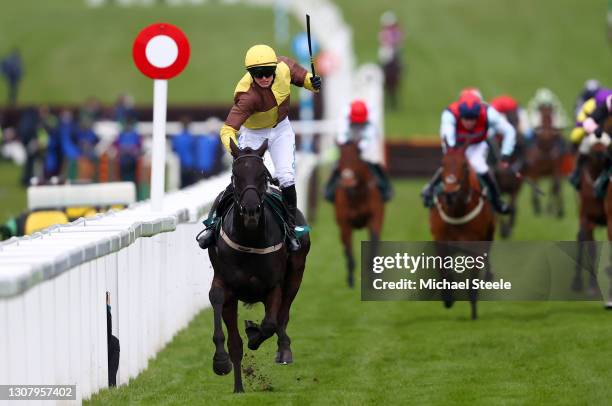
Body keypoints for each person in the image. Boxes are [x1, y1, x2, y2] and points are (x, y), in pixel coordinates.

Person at [197, 44, 321, 252]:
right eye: (257, 74)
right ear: (250, 74)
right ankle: (214, 224)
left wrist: (313, 82)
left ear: (275, 68)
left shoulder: (283, 66)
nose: (264, 78)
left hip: (281, 129)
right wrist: (237, 154)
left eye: (267, 72)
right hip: (254, 133)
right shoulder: (246, 95)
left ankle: (290, 230)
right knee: (244, 176)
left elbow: (304, 78)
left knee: (286, 177)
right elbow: (227, 130)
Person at [421, 92, 517, 214]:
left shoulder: (489, 113)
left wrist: (506, 154)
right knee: (452, 166)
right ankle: (429, 189)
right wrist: (453, 153)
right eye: (466, 118)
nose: (469, 123)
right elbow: (447, 135)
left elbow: (509, 131)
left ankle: (497, 202)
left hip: (477, 145)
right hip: (455, 146)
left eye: (473, 119)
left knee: (480, 167)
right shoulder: (449, 114)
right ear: (460, 115)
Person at [324, 100, 393, 202]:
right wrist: (350, 150)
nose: (358, 123)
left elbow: (370, 136)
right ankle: (329, 191)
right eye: (356, 121)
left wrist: (358, 148)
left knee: (375, 163)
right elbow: (341, 137)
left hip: (364, 143)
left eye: (360, 122)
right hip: (349, 144)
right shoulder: (344, 114)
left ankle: (386, 189)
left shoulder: (373, 115)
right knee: (338, 165)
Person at [569, 87, 612, 189]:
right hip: (604, 134)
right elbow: (589, 121)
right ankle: (577, 173)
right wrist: (595, 129)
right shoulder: (605, 106)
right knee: (586, 143)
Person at [171, 116, 197, 187]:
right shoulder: (192, 138)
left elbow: (174, 150)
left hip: (180, 165)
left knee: (181, 186)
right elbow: (195, 151)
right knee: (190, 187)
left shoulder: (176, 138)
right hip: (190, 165)